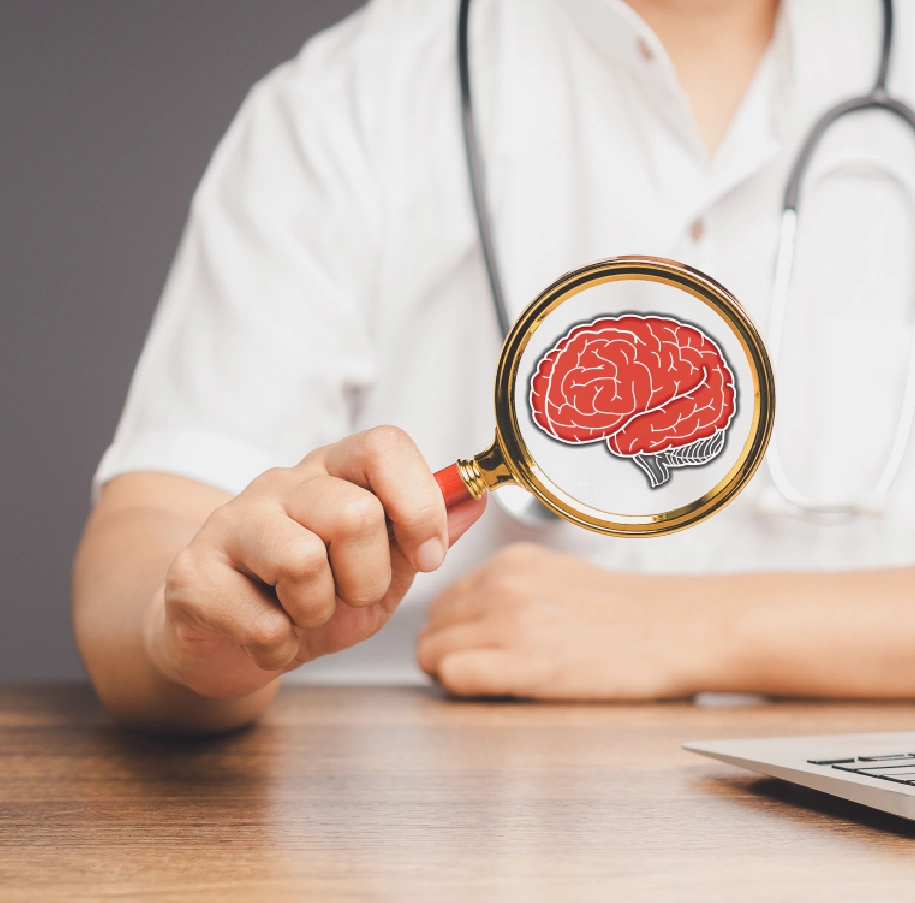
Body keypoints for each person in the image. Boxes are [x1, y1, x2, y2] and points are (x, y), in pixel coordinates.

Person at [74, 0, 915, 733]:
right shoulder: (351, 102)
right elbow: (152, 534)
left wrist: (685, 627)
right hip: (412, 825)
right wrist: (192, 640)